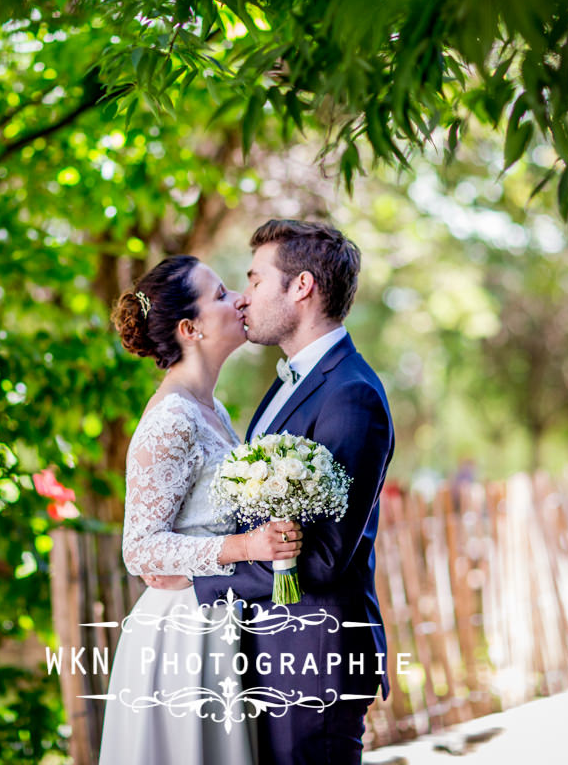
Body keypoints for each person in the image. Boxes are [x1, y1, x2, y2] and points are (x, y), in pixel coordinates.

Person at [189, 219, 395, 765]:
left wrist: (201, 577)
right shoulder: (290, 383)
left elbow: (324, 556)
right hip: (268, 652)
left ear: (300, 287)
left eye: (256, 280)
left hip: (313, 659)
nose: (244, 296)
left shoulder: (352, 395)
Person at [100, 254, 302, 765]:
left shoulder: (213, 410)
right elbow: (140, 549)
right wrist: (245, 547)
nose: (239, 299)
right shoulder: (171, 419)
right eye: (219, 295)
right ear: (190, 329)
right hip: (178, 638)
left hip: (218, 622)